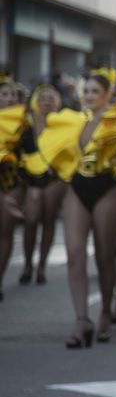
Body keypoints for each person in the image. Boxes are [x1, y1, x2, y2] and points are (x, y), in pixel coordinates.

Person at [39, 68, 116, 344]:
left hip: (108, 188)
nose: (89, 96)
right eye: (86, 91)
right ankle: (81, 320)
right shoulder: (76, 121)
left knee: (105, 256)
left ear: (107, 95)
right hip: (78, 187)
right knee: (75, 254)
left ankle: (105, 311)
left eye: (94, 92)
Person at [17, 83, 66, 286]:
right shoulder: (26, 123)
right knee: (31, 221)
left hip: (54, 180)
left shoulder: (63, 124)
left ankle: (41, 267)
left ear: (57, 102)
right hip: (31, 181)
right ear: (36, 101)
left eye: (50, 98)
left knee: (48, 221)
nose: (46, 102)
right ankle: (27, 263)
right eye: (43, 98)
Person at [0, 74, 26, 301]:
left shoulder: (23, 123)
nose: (8, 99)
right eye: (4, 94)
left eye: (12, 95)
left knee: (5, 232)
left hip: (11, 183)